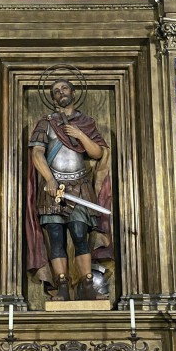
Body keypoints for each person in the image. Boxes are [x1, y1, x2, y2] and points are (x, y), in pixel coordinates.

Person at [26, 78, 112, 301]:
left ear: (73, 92)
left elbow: (97, 153)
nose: (60, 93)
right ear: (53, 98)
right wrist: (49, 179)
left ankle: (87, 285)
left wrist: (80, 134)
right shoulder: (46, 123)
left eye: (64, 88)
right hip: (53, 188)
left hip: (80, 186)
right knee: (56, 237)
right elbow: (36, 153)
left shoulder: (86, 122)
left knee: (80, 234)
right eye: (56, 91)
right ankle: (62, 285)